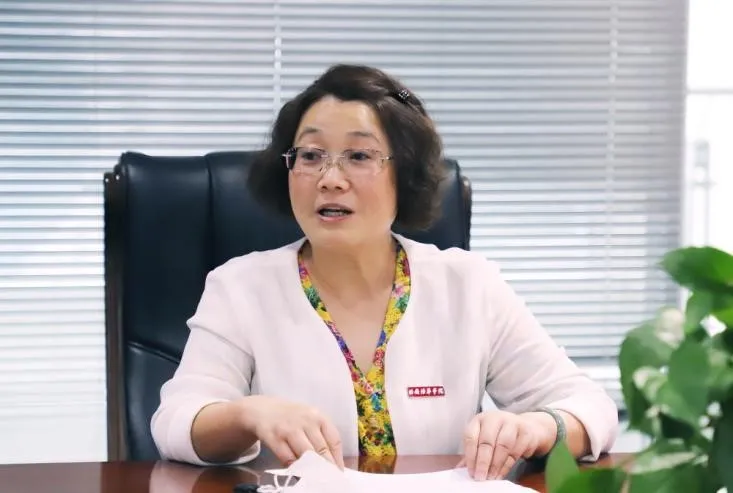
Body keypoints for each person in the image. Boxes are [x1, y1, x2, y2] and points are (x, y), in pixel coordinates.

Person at [150, 64, 618, 481]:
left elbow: (589, 407)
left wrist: (535, 428)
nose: (330, 179)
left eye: (359, 156)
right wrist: (249, 414)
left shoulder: (468, 284)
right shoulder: (240, 287)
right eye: (310, 155)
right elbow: (175, 422)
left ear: (406, 175)